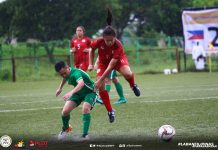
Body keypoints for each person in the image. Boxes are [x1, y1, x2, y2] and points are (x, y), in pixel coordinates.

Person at [88, 9, 140, 121]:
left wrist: (99, 80)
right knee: (101, 87)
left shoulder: (118, 46)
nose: (110, 43)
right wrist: (91, 64)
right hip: (103, 62)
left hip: (116, 60)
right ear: (103, 39)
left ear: (115, 38)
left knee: (127, 73)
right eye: (107, 41)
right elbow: (91, 50)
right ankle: (110, 111)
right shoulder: (98, 42)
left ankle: (133, 85)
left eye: (112, 40)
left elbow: (111, 67)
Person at [55, 61, 98, 140]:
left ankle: (85, 135)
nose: (63, 75)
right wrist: (60, 88)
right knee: (65, 112)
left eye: (64, 73)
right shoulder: (66, 73)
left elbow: (81, 84)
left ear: (67, 67)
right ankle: (66, 128)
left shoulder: (76, 73)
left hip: (90, 92)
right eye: (61, 74)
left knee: (85, 109)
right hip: (78, 93)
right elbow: (65, 78)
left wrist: (71, 92)